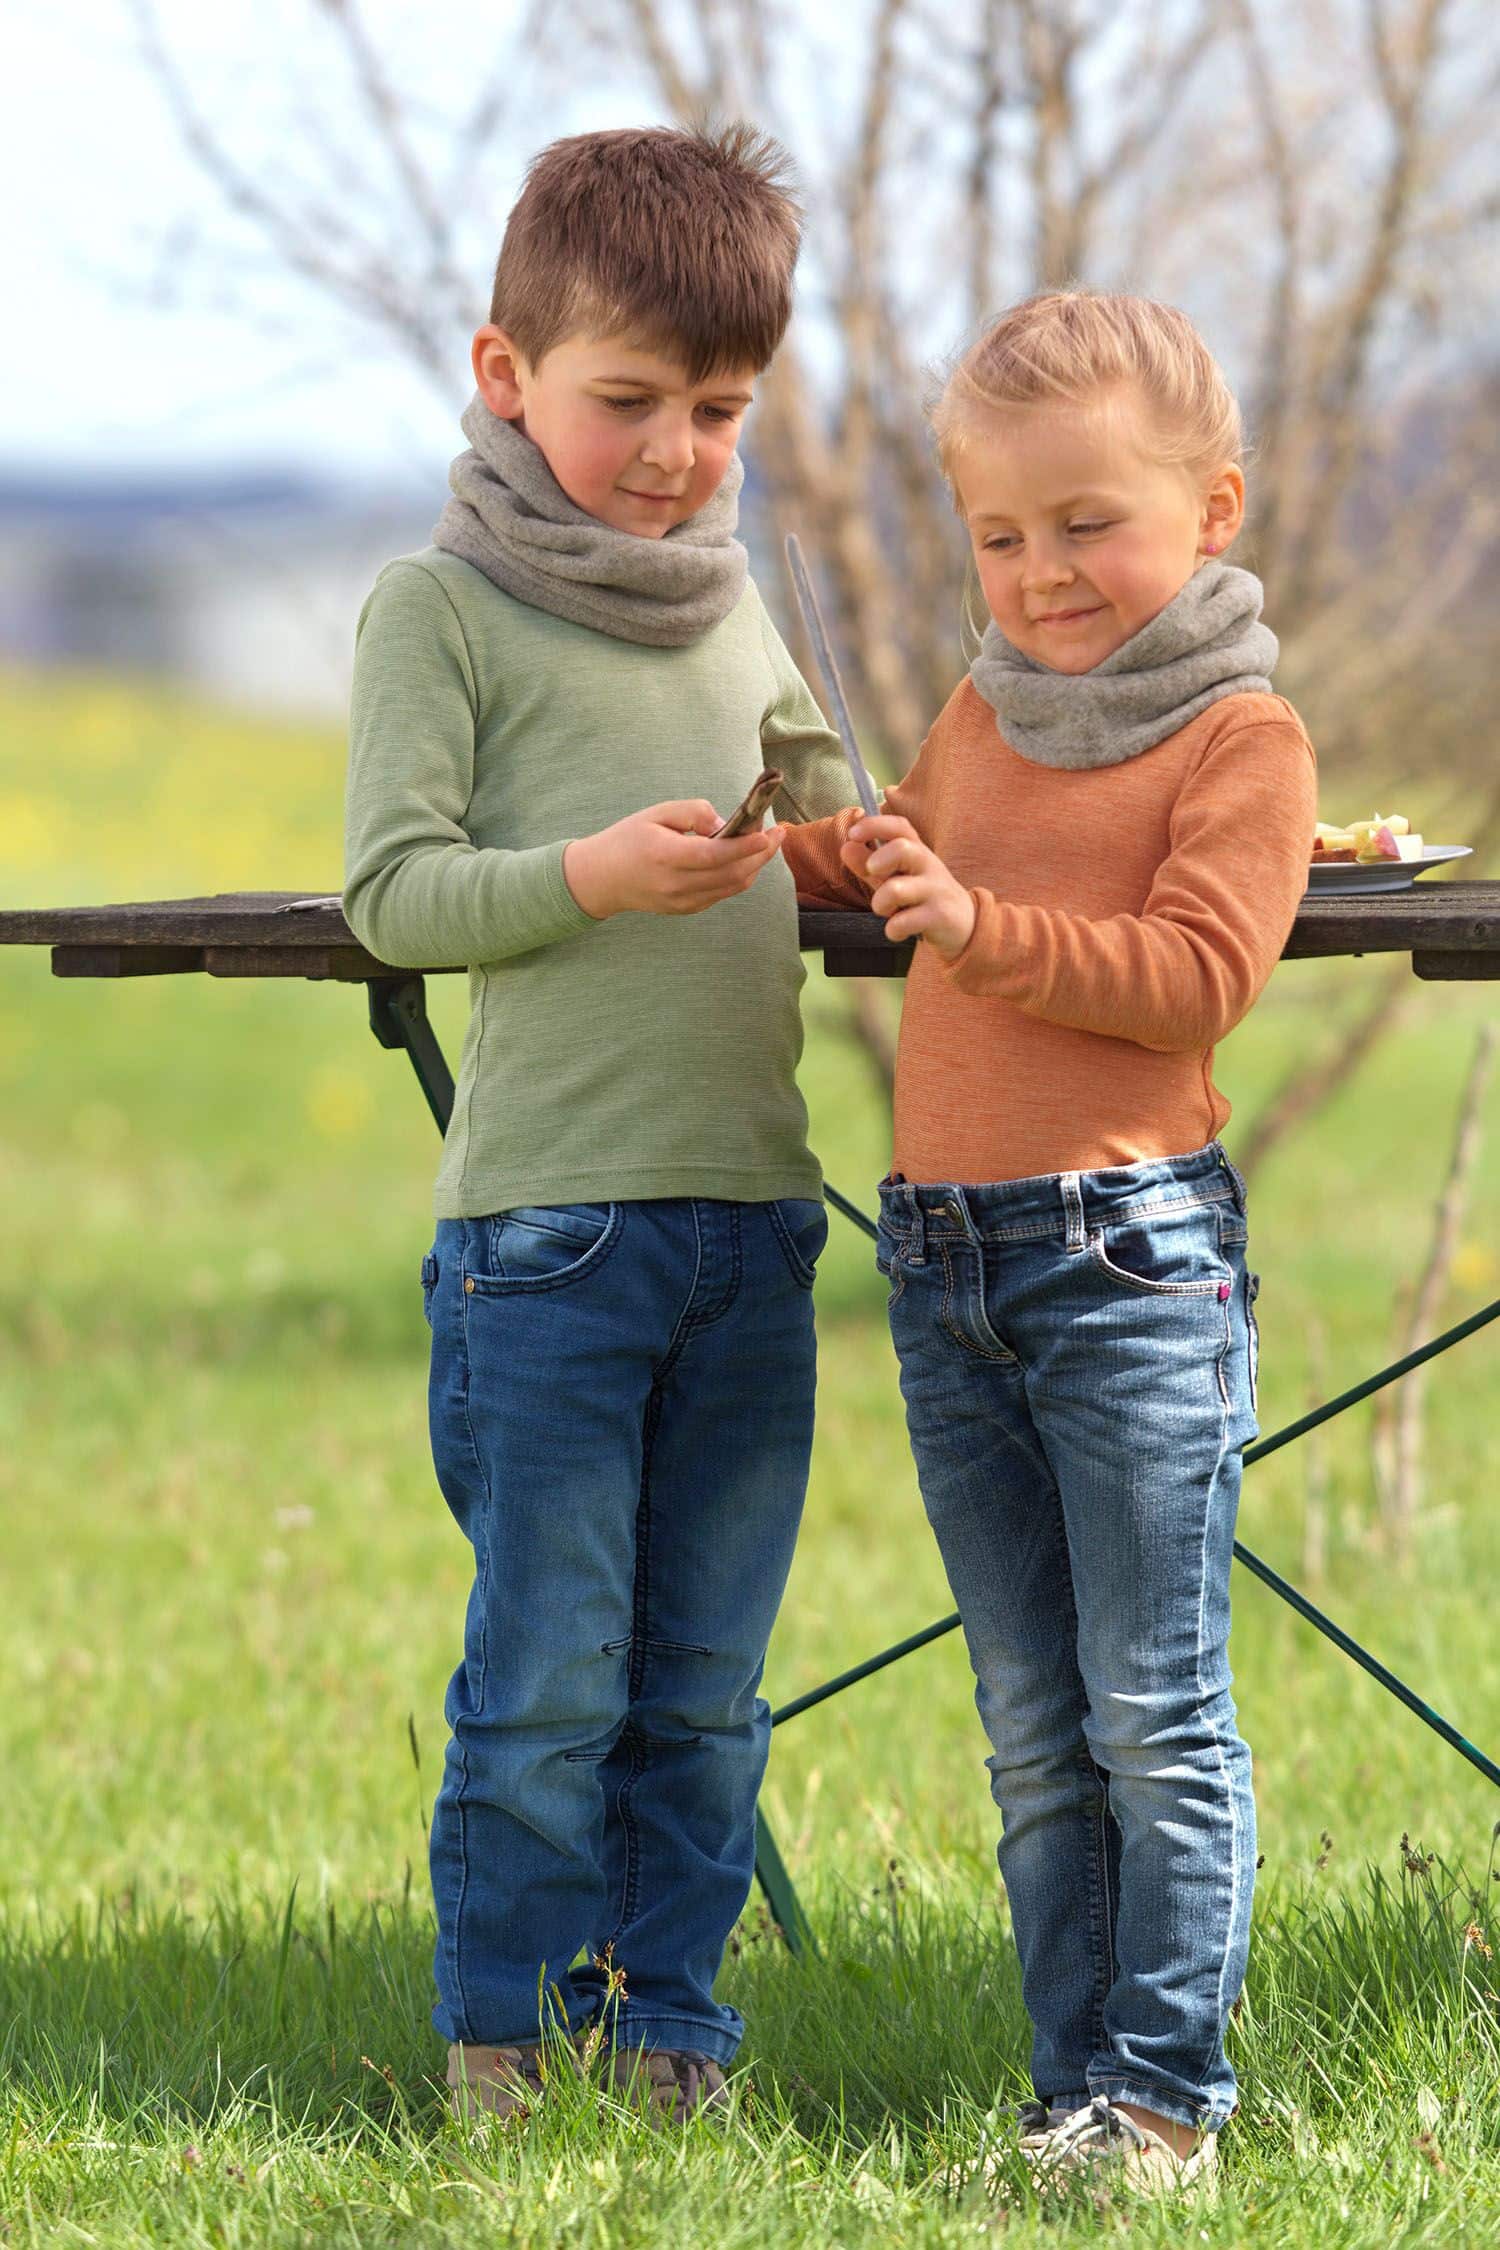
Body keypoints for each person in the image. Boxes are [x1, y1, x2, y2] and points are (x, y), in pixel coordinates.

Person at [783, 290, 1317, 2195]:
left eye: (1086, 522)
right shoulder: (981, 708)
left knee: (1151, 1713)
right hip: (947, 1263)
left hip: (1125, 1266)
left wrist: (977, 920)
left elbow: (1196, 981)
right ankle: (1069, 2089)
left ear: (1214, 508)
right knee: (1029, 1724)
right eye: (999, 536)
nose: (1042, 573)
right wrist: (782, 850)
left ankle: (1166, 2099)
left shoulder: (1242, 738)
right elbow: (897, 847)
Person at [343, 123, 850, 2126]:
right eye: (629, 400)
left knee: (705, 1688)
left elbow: (824, 795)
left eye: (717, 409)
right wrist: (583, 880)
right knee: (551, 1677)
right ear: (505, 375)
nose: (674, 450)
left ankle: (675, 2044)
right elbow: (392, 894)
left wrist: (864, 838)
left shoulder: (733, 598)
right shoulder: (439, 609)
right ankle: (502, 2042)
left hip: (753, 1219)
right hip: (553, 1237)